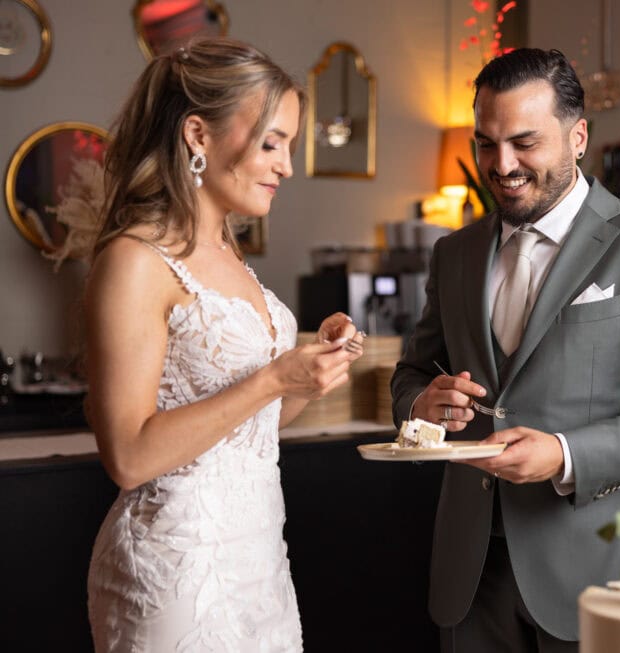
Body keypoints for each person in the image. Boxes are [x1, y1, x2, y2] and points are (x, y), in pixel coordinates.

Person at [390, 48, 620, 651]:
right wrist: (420, 405)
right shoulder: (455, 254)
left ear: (578, 137)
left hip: (603, 569)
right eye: (486, 144)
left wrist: (567, 455)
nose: (502, 164)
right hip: (472, 572)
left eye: (524, 142)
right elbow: (412, 374)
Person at [84, 38, 361, 652]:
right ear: (198, 136)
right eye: (271, 142)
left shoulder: (232, 254)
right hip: (175, 569)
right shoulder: (136, 260)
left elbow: (251, 429)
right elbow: (127, 456)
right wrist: (271, 379)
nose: (287, 165)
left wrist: (309, 377)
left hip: (259, 560)